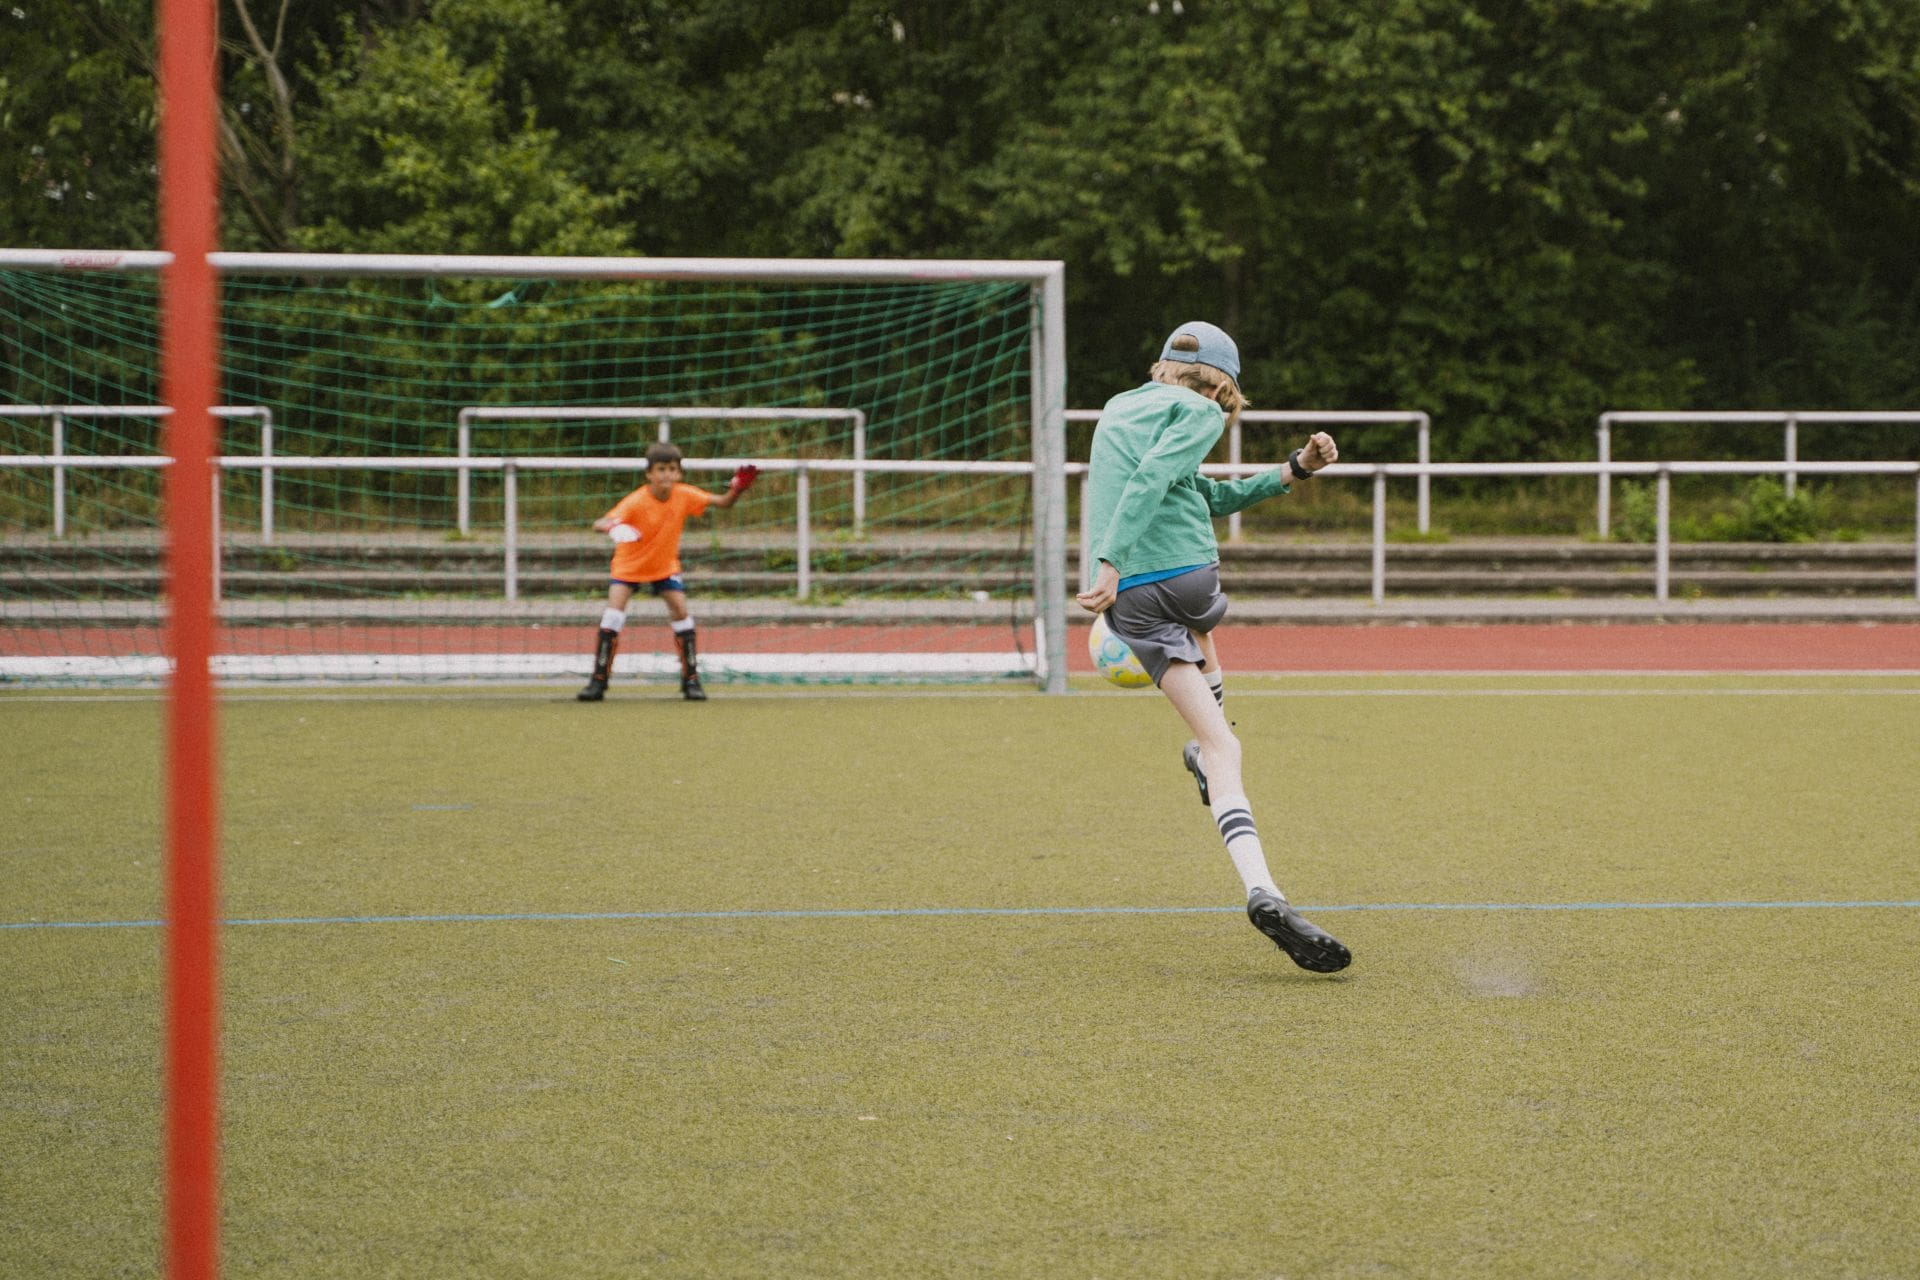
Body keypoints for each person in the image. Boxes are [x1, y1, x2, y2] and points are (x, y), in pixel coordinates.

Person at [1075, 321, 1351, 973]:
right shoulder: (1200, 411)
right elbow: (1155, 477)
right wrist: (1112, 559)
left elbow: (1205, 493)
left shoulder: (1117, 410)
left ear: (1161, 367)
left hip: (1130, 606)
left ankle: (1208, 760)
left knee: (1217, 737)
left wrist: (1295, 468)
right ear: (1222, 389)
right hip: (1183, 580)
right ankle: (1263, 891)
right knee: (1223, 726)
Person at [577, 442, 757, 702]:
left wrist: (737, 488)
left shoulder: (684, 494)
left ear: (679, 473)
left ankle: (691, 680)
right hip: (629, 567)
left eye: (672, 469)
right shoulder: (637, 500)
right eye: (661, 469)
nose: (667, 475)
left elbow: (723, 502)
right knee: (613, 615)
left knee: (681, 613)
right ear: (649, 474)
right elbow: (600, 522)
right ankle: (598, 681)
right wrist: (612, 527)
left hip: (664, 566)